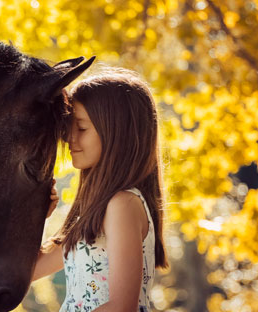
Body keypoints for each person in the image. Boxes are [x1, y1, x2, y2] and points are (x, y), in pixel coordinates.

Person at [34, 67, 168, 312]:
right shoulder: (94, 213)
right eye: (70, 126)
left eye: (82, 128)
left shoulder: (122, 205)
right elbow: (28, 271)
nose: (69, 137)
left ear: (117, 134)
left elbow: (121, 307)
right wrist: (37, 216)